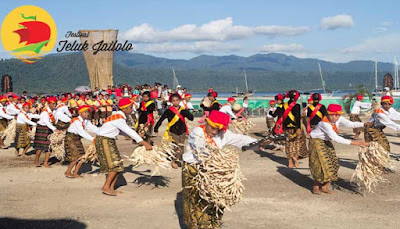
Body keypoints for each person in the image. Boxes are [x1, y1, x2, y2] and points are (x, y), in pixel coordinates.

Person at [182, 111, 257, 228]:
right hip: (195, 170)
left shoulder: (222, 134)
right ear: (207, 121)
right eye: (212, 128)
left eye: (218, 129)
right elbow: (201, 148)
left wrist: (256, 143)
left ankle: (213, 225)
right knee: (197, 203)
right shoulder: (197, 132)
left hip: (214, 171)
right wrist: (219, 158)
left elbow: (239, 139)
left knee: (216, 201)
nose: (214, 132)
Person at [95, 98, 152, 196]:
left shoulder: (118, 117)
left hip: (108, 140)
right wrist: (144, 143)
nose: (132, 109)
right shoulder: (118, 118)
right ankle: (106, 187)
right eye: (130, 107)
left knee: (118, 165)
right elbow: (129, 131)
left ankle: (111, 188)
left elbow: (121, 131)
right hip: (104, 140)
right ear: (124, 109)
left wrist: (131, 136)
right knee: (115, 165)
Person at [309, 104, 368, 194]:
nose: (334, 117)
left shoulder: (339, 118)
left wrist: (364, 124)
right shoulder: (324, 123)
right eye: (331, 115)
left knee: (333, 163)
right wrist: (357, 143)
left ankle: (324, 186)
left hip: (326, 141)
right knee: (321, 164)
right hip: (316, 141)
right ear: (328, 114)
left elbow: (350, 124)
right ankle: (316, 186)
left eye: (337, 115)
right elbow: (336, 138)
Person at [154, 94, 194, 169]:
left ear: (179, 101)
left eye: (177, 100)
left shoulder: (183, 110)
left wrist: (187, 112)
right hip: (173, 131)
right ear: (171, 101)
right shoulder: (169, 111)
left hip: (183, 131)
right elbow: (161, 119)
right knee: (176, 146)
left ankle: (180, 158)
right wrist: (156, 128)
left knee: (181, 146)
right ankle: (174, 160)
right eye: (173, 101)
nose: (175, 102)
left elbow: (191, 118)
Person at [64, 105, 99, 178]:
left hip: (77, 138)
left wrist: (102, 132)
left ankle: (75, 173)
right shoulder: (77, 121)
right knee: (75, 156)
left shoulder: (86, 121)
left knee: (82, 156)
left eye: (88, 112)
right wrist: (92, 139)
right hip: (70, 138)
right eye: (85, 112)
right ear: (80, 113)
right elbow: (81, 132)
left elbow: (92, 128)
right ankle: (68, 172)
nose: (87, 114)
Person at [275, 90, 308, 168]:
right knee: (297, 143)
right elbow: (297, 118)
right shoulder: (297, 106)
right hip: (295, 127)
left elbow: (282, 116)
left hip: (286, 127)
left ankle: (290, 162)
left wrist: (281, 127)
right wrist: (299, 128)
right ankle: (295, 158)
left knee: (288, 144)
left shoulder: (284, 105)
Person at [33, 97, 57, 168]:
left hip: (49, 129)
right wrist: (54, 129)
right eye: (53, 104)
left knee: (49, 146)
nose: (54, 105)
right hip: (42, 129)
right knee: (40, 147)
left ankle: (45, 163)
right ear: (49, 104)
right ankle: (36, 161)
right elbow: (47, 122)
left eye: (55, 103)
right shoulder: (45, 112)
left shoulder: (54, 111)